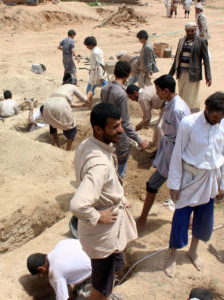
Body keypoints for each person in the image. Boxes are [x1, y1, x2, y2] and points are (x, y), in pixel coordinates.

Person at [70, 102, 138, 300]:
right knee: (101, 287)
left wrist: (120, 197)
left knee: (113, 268)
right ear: (98, 129)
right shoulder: (99, 164)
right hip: (102, 237)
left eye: (120, 124)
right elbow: (77, 204)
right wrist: (98, 216)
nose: (121, 130)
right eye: (115, 127)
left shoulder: (88, 144)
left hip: (103, 234)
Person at [164, 92, 224, 278]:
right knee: (181, 218)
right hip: (189, 178)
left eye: (221, 118)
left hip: (210, 178)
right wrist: (174, 183)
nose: (218, 121)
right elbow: (177, 153)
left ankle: (193, 250)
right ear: (207, 109)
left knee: (204, 219)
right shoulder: (189, 123)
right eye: (215, 117)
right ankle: (173, 255)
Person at [135, 75, 190, 229]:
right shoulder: (170, 104)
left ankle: (144, 219)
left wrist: (179, 163)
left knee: (166, 187)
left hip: (175, 155)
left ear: (166, 91)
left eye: (158, 90)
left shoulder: (178, 109)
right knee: (161, 186)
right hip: (168, 152)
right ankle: (144, 218)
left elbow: (183, 138)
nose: (157, 93)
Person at [100, 60, 149, 179]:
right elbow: (125, 123)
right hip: (118, 137)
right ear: (128, 75)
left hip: (105, 135)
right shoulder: (121, 94)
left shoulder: (104, 89)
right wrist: (139, 140)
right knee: (119, 171)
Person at [27, 239, 92, 300]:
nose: (42, 275)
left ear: (41, 269)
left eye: (40, 274)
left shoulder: (55, 274)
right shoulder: (61, 244)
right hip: (97, 252)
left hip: (98, 270)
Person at [169, 22, 211, 112]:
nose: (190, 33)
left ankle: (192, 114)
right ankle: (183, 113)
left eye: (192, 31)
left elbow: (206, 60)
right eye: (188, 31)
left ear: (195, 30)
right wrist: (170, 75)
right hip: (181, 74)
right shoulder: (181, 41)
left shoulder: (201, 41)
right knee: (182, 95)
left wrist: (208, 77)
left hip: (193, 74)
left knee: (191, 97)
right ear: (185, 31)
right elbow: (177, 58)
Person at [42, 73, 89, 151]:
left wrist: (82, 105)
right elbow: (85, 99)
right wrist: (89, 95)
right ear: (73, 82)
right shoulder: (72, 86)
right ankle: (67, 150)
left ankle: (58, 145)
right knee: (72, 129)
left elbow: (69, 104)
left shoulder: (60, 88)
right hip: (61, 105)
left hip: (47, 106)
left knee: (52, 124)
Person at [126, 84, 164, 149]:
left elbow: (147, 117)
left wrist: (139, 125)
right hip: (164, 107)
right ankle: (157, 147)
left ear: (135, 93)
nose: (132, 100)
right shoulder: (145, 89)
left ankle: (161, 150)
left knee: (159, 128)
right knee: (157, 127)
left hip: (167, 106)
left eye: (131, 97)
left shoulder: (142, 98)